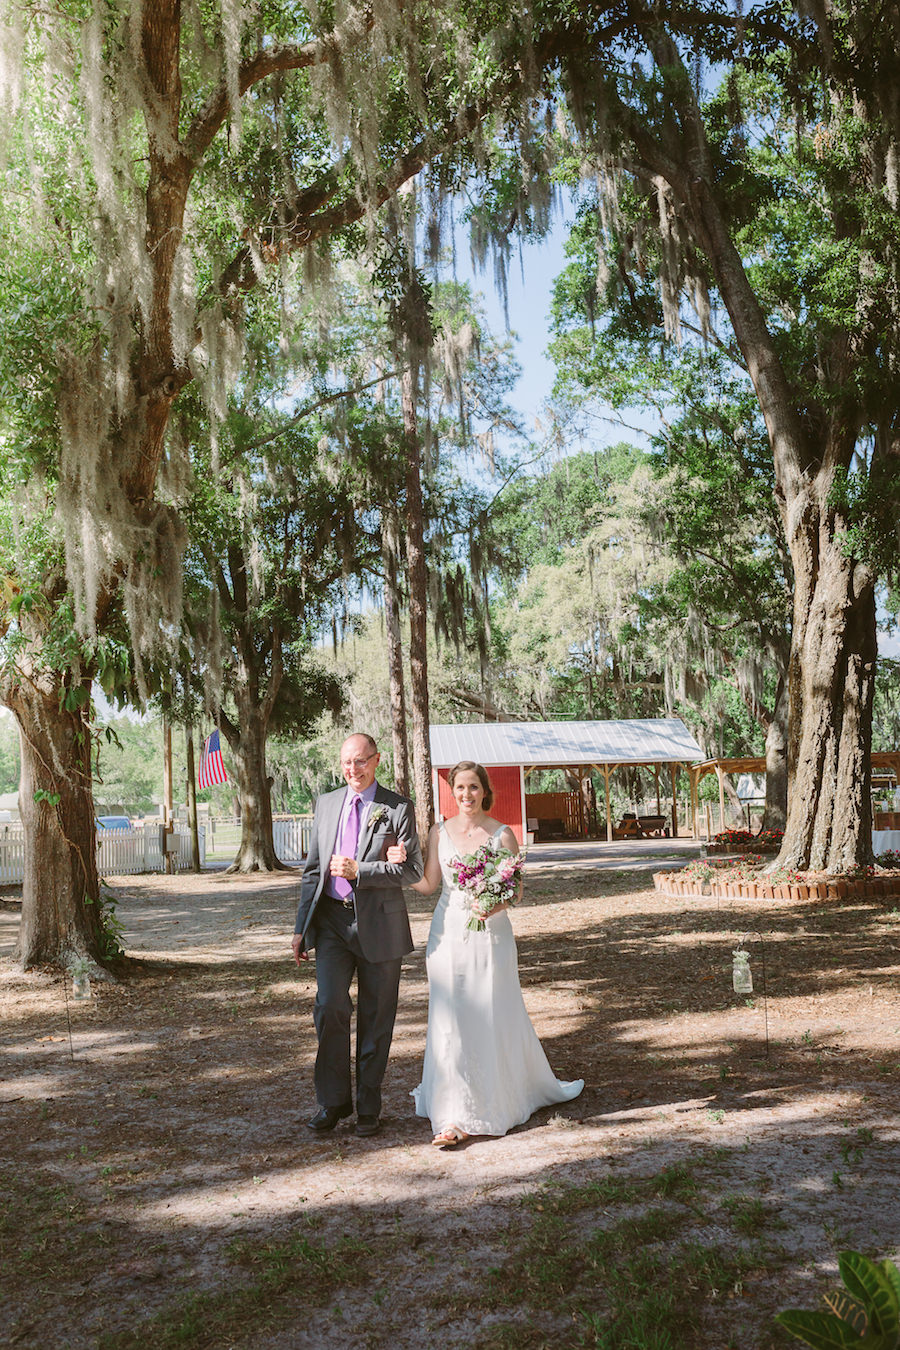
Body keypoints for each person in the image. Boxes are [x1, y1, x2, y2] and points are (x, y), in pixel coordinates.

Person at [388, 761, 583, 1147]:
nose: (466, 795)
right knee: (450, 1018)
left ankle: (494, 1099)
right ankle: (450, 1112)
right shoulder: (438, 832)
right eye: (459, 787)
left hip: (490, 936)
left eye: (473, 787)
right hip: (446, 934)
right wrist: (400, 867)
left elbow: (517, 891)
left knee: (493, 1012)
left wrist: (494, 904)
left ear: (484, 790)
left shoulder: (502, 834)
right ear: (452, 790)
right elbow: (429, 884)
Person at [292, 733, 423, 1138]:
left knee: (376, 1017)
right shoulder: (327, 803)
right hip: (331, 923)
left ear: (377, 760)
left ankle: (369, 1105)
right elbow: (313, 869)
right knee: (330, 1007)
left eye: (361, 761)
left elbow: (412, 870)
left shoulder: (398, 807)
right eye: (348, 762)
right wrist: (301, 927)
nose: (354, 769)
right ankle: (332, 1102)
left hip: (380, 925)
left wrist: (360, 871)